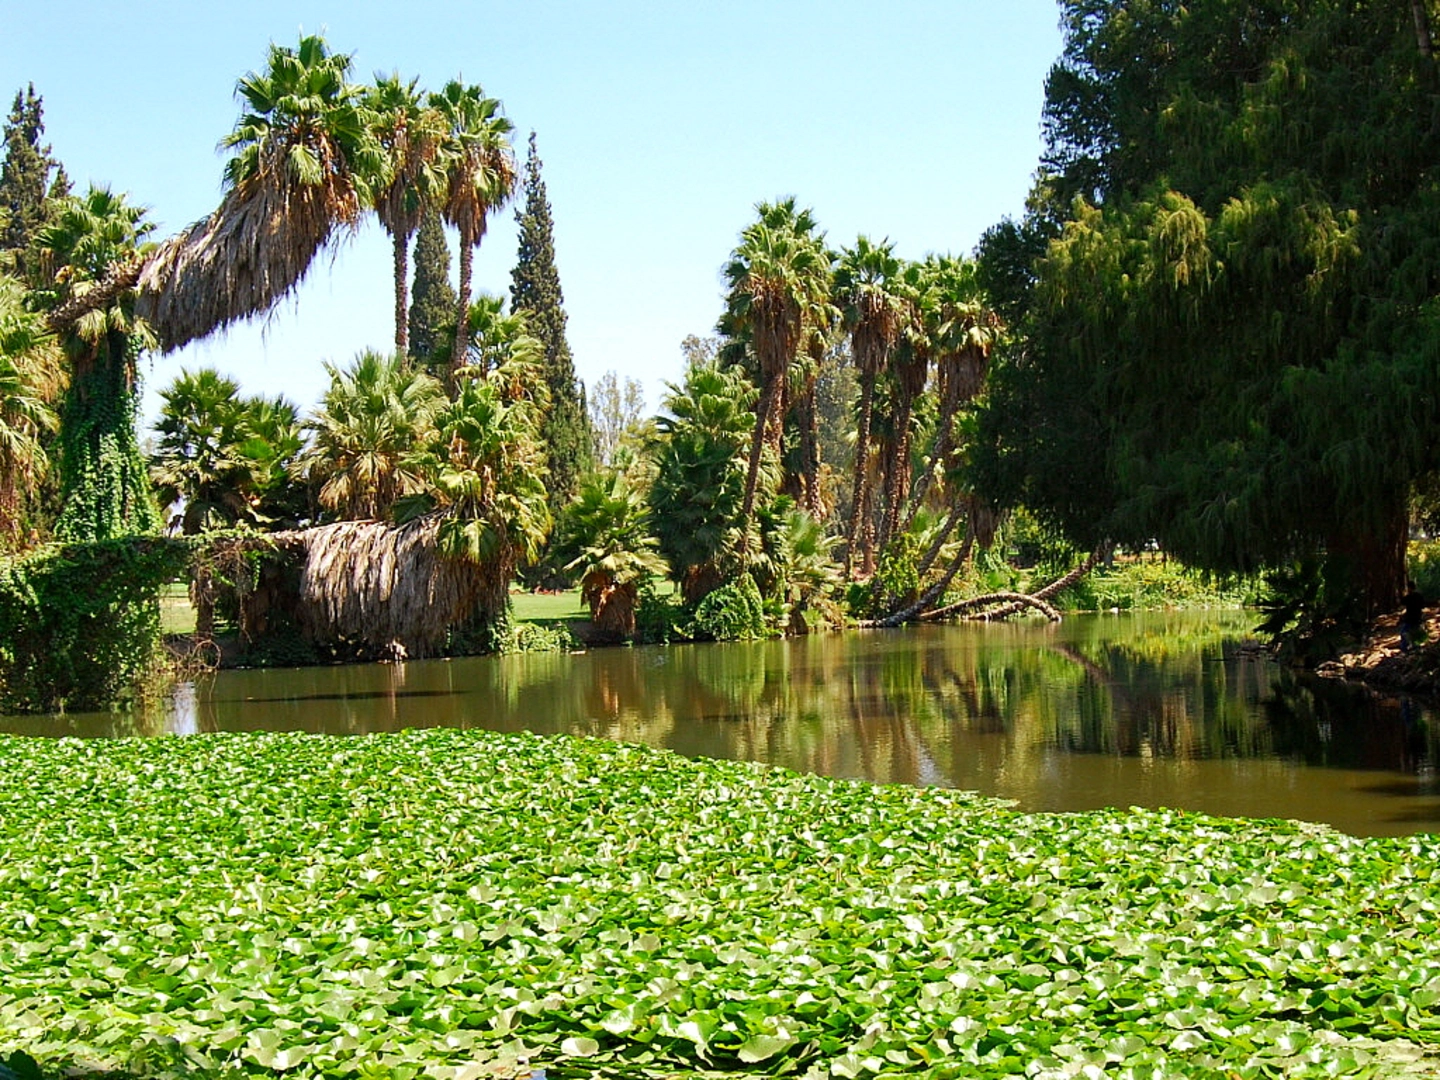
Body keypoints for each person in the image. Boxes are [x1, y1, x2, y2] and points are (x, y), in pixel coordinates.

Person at [1400, 582, 1426, 653]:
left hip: (1410, 619)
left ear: (1409, 588)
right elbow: (1423, 606)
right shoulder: (1419, 596)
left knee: (1404, 633)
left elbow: (1402, 603)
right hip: (1417, 618)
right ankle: (1417, 648)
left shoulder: (1408, 597)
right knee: (1416, 633)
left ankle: (1404, 649)